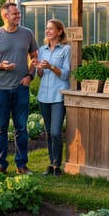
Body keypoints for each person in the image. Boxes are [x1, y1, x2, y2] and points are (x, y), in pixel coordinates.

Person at [0, 2, 39, 174]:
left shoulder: (27, 34)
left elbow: (34, 57)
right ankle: (0, 164)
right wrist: (1, 66)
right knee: (1, 127)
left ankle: (21, 164)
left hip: (21, 88)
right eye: (15, 14)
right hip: (1, 88)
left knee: (21, 128)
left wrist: (30, 76)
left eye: (18, 13)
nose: (18, 15)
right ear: (5, 16)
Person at [35, 19, 71, 176]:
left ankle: (58, 164)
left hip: (58, 95)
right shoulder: (42, 49)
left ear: (59, 31)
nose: (48, 31)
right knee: (49, 132)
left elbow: (65, 74)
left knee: (56, 132)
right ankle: (52, 164)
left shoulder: (66, 49)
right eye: (46, 29)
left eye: (51, 29)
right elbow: (40, 75)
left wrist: (50, 66)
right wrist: (39, 68)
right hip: (44, 95)